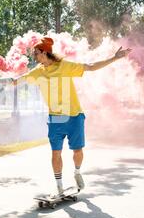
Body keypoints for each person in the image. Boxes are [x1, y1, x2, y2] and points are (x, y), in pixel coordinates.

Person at [13, 37, 131, 195]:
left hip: (74, 116)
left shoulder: (64, 66)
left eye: (36, 52)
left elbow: (90, 67)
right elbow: (17, 80)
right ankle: (59, 186)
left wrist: (114, 58)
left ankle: (77, 172)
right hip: (55, 119)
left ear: (44, 52)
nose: (34, 56)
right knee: (55, 152)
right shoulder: (38, 71)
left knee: (77, 151)